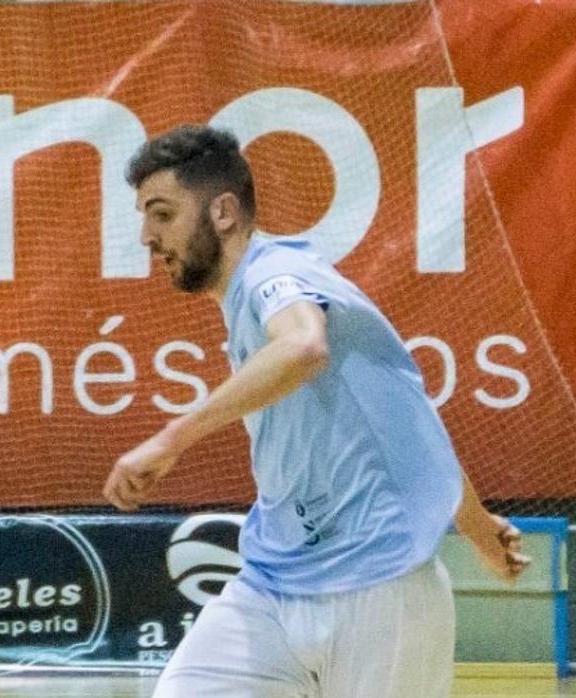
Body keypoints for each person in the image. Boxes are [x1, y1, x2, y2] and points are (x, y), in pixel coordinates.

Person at [104, 125, 530, 697]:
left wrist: (171, 440)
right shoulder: (252, 297)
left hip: (380, 591)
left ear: (223, 212)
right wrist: (476, 526)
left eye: (162, 214)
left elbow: (305, 347)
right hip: (274, 584)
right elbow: (402, 420)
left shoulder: (274, 275)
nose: (147, 237)